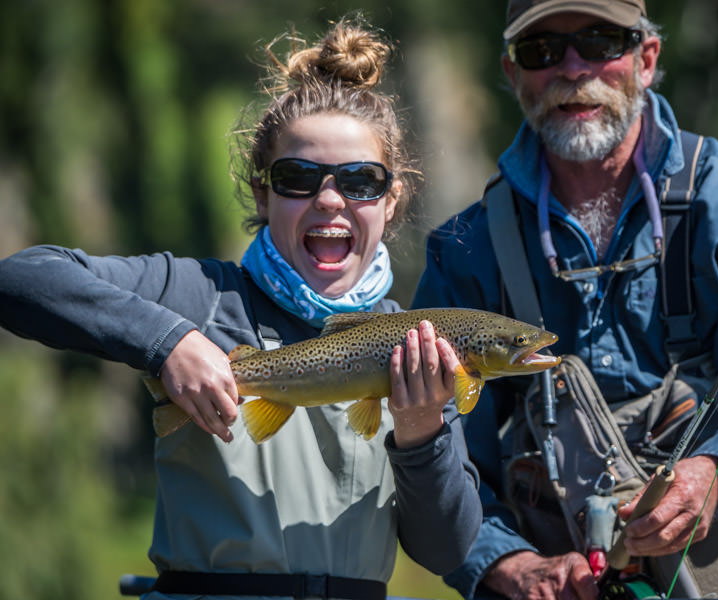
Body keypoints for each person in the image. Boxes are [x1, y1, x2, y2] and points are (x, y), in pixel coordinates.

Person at [0, 17, 481, 600]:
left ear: (390, 199)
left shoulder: (418, 348)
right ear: (262, 192)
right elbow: (21, 280)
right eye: (298, 177)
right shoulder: (197, 294)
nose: (329, 198)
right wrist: (169, 341)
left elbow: (447, 551)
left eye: (359, 181)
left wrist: (420, 429)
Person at [410, 0, 718, 598]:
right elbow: (439, 452)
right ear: (513, 74)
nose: (573, 68)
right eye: (542, 51)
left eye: (600, 43)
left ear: (647, 59)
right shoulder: (465, 253)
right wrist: (508, 565)